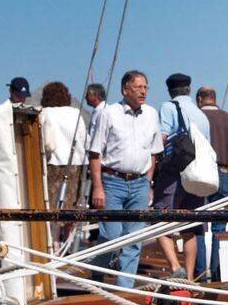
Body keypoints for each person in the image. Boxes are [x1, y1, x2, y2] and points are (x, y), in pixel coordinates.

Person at [87, 70, 161, 287]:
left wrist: (148, 181)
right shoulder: (108, 114)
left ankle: (124, 289)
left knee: (134, 239)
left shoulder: (151, 114)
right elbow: (95, 153)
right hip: (112, 182)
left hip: (140, 183)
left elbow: (154, 152)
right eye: (138, 87)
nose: (143, 91)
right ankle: (98, 276)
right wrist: (98, 187)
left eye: (145, 87)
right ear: (125, 89)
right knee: (111, 236)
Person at [154, 73, 211, 278]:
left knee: (160, 221)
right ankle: (189, 277)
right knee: (190, 227)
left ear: (170, 91)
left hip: (173, 174)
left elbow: (161, 138)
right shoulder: (201, 115)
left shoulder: (169, 107)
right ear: (189, 90)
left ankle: (175, 268)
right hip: (195, 176)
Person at [195, 86, 228, 281]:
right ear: (214, 99)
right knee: (219, 226)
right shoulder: (227, 118)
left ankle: (198, 274)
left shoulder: (195, 117)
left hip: (199, 174)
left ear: (200, 99)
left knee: (198, 225)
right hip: (222, 172)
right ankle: (216, 275)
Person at [39, 81, 88, 210]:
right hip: (76, 165)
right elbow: (84, 140)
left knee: (51, 205)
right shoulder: (76, 113)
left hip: (52, 164)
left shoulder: (44, 113)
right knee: (72, 205)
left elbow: (45, 142)